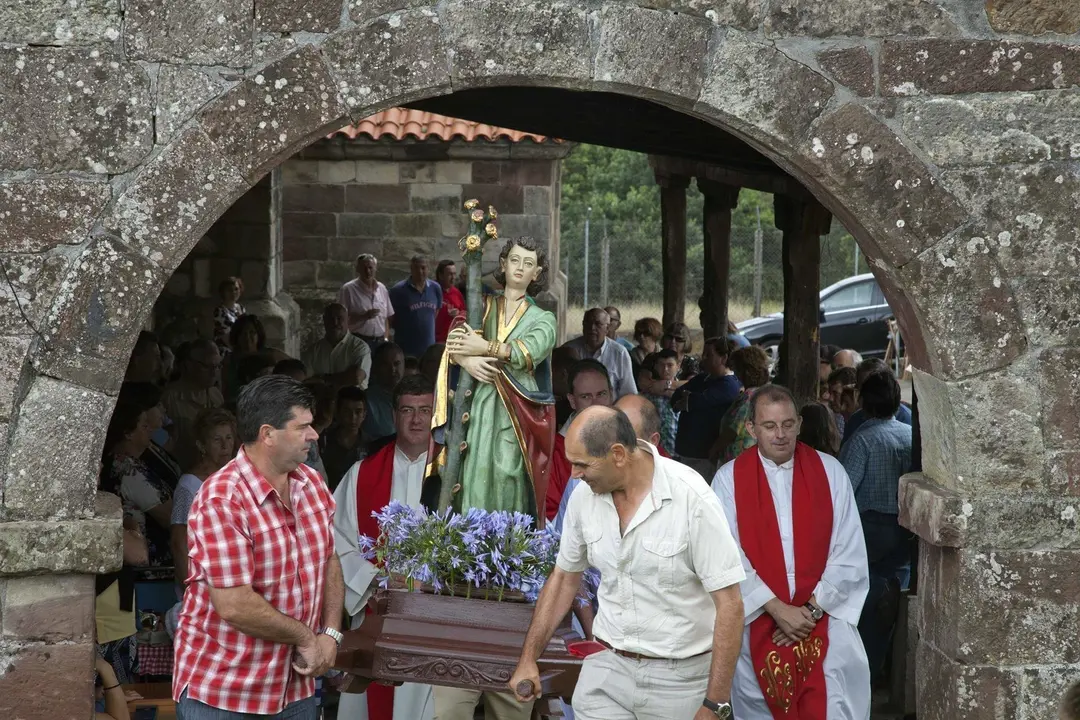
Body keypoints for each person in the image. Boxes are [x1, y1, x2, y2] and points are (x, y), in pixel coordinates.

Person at [510, 406, 745, 720]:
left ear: (618, 454)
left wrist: (716, 704)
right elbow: (565, 578)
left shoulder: (691, 498)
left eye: (581, 465)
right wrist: (529, 658)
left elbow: (730, 603)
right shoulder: (583, 496)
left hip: (679, 682)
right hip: (605, 669)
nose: (574, 474)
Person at [173, 375, 343, 719]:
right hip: (224, 693)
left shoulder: (311, 484)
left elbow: (329, 560)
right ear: (267, 434)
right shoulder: (222, 498)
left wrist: (331, 633)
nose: (314, 434)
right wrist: (307, 639)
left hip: (294, 688)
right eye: (303, 427)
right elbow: (234, 604)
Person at [713, 384, 870, 719]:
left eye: (787, 424)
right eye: (769, 426)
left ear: (799, 423)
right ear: (752, 428)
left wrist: (811, 611)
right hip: (758, 617)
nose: (780, 434)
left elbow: (849, 551)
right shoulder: (728, 480)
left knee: (833, 702)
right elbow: (726, 556)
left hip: (824, 618)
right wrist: (776, 608)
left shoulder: (830, 473)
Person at [332, 375, 437, 720]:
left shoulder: (454, 476)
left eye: (424, 410)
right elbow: (336, 541)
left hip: (432, 616)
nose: (416, 419)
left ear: (436, 414)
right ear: (394, 415)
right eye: (407, 410)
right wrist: (375, 580)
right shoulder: (362, 474)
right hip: (376, 609)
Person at [438, 237, 557, 518]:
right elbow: (456, 335)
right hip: (481, 401)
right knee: (475, 470)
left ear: (536, 273)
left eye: (528, 264)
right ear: (503, 264)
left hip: (517, 408)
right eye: (514, 260)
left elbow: (528, 351)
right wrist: (467, 360)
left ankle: (506, 547)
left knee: (509, 472)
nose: (519, 268)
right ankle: (471, 544)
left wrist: (484, 347)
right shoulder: (483, 306)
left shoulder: (543, 319)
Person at [839, 370, 913, 679]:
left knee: (865, 599)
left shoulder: (862, 440)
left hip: (870, 530)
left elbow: (843, 492)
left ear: (863, 403)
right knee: (896, 595)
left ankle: (864, 667)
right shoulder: (910, 436)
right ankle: (883, 666)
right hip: (907, 530)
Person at [102, 382, 174, 568]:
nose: (149, 429)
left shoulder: (121, 462)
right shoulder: (128, 470)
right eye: (143, 426)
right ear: (128, 434)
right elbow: (170, 516)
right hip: (150, 566)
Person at [170, 407, 237, 589]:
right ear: (202, 446)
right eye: (217, 440)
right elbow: (179, 541)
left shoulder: (239, 477)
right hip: (205, 581)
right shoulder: (189, 485)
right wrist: (190, 588)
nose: (225, 446)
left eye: (228, 438)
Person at [544, 359, 614, 521]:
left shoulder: (633, 436)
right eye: (586, 397)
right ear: (572, 400)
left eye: (601, 394)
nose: (595, 404)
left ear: (611, 393)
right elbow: (550, 517)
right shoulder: (555, 451)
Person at [673, 337, 742, 481]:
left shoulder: (729, 385)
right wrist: (689, 399)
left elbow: (696, 401)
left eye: (709, 355)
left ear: (724, 358)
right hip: (686, 451)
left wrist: (690, 399)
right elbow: (676, 397)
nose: (703, 358)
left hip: (705, 455)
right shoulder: (701, 379)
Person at [162, 338, 224, 468]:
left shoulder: (216, 395)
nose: (214, 372)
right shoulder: (169, 398)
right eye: (207, 366)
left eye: (217, 366)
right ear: (189, 365)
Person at [714, 345, 772, 465]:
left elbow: (733, 430)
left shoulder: (749, 397)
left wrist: (714, 449)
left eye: (737, 369)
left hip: (739, 460)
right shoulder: (762, 392)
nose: (735, 374)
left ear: (745, 371)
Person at [563, 308, 637, 400]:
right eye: (588, 323)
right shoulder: (568, 349)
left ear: (607, 328)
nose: (592, 328)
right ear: (583, 325)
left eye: (598, 324)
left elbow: (629, 394)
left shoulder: (619, 353)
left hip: (609, 410)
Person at [842, 358, 912, 444]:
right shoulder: (855, 421)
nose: (868, 394)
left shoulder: (906, 419)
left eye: (874, 388)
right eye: (864, 388)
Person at [302, 302, 372, 390]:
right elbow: (305, 380)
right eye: (331, 319)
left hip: (351, 401)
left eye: (339, 318)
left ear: (347, 320)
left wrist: (321, 378)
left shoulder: (359, 347)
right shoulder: (314, 350)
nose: (335, 323)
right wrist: (344, 377)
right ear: (324, 321)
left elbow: (356, 378)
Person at [389, 255, 443, 359]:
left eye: (423, 268)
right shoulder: (398, 290)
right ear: (411, 269)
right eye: (416, 268)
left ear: (428, 269)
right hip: (406, 348)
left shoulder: (435, 288)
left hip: (428, 347)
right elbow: (390, 318)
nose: (420, 271)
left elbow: (435, 311)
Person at [339, 253, 394, 348]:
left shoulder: (382, 289)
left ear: (375, 268)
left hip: (380, 342)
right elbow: (341, 319)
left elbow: (386, 317)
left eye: (370, 268)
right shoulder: (348, 289)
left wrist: (386, 338)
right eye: (364, 268)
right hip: (358, 341)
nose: (368, 271)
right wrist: (363, 316)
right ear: (357, 269)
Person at [320, 385, 368, 492]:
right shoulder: (324, 440)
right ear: (338, 413)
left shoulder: (372, 445)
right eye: (347, 411)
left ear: (364, 414)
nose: (353, 417)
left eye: (358, 412)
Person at [639, 349, 681, 456]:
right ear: (656, 366)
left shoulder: (686, 391)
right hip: (654, 450)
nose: (665, 369)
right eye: (661, 365)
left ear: (678, 366)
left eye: (670, 365)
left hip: (679, 449)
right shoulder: (647, 393)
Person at [362, 342, 405, 444]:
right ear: (376, 367)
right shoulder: (366, 400)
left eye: (397, 363)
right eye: (386, 365)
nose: (392, 370)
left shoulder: (415, 397)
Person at [434, 259, 465, 343]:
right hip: (436, 341)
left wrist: (458, 313)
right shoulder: (432, 291)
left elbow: (464, 312)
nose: (453, 278)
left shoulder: (456, 292)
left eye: (454, 274)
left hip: (454, 340)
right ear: (440, 275)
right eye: (449, 274)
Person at [213, 276, 246, 352]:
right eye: (229, 290)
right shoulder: (220, 311)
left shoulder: (241, 308)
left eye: (236, 289)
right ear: (223, 292)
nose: (234, 292)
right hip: (226, 349)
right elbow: (224, 336)